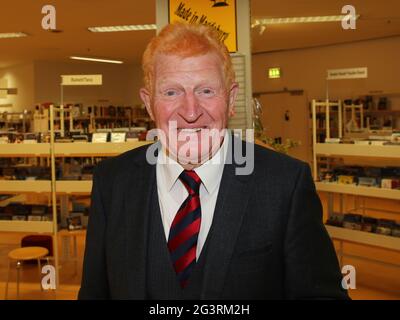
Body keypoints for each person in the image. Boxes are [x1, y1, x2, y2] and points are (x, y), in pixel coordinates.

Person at [79, 23, 349, 300]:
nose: (191, 111)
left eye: (206, 91)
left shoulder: (284, 185)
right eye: (171, 92)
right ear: (148, 104)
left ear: (231, 99)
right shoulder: (113, 182)